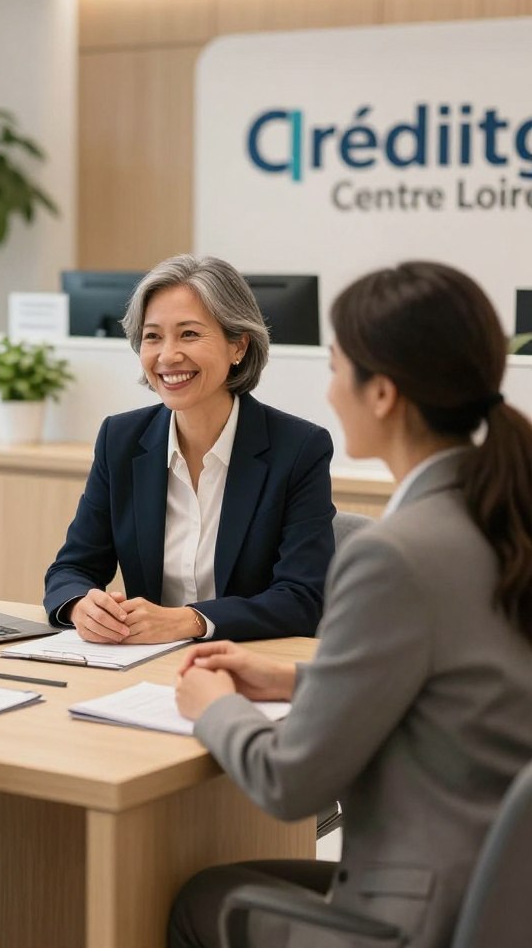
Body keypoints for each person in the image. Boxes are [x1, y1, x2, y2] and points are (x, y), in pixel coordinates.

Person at [168, 261, 532, 948]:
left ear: (384, 393)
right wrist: (299, 679)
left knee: (197, 900)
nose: (330, 392)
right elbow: (467, 686)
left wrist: (213, 705)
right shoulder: (503, 515)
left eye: (337, 369)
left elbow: (288, 784)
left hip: (419, 916)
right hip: (500, 897)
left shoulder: (393, 553)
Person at [44, 254, 335, 644]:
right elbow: (71, 568)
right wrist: (81, 605)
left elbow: (301, 599)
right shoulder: (121, 439)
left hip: (247, 665)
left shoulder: (299, 449)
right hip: (143, 666)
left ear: (239, 346)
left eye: (189, 334)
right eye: (152, 336)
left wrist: (191, 621)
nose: (167, 356)